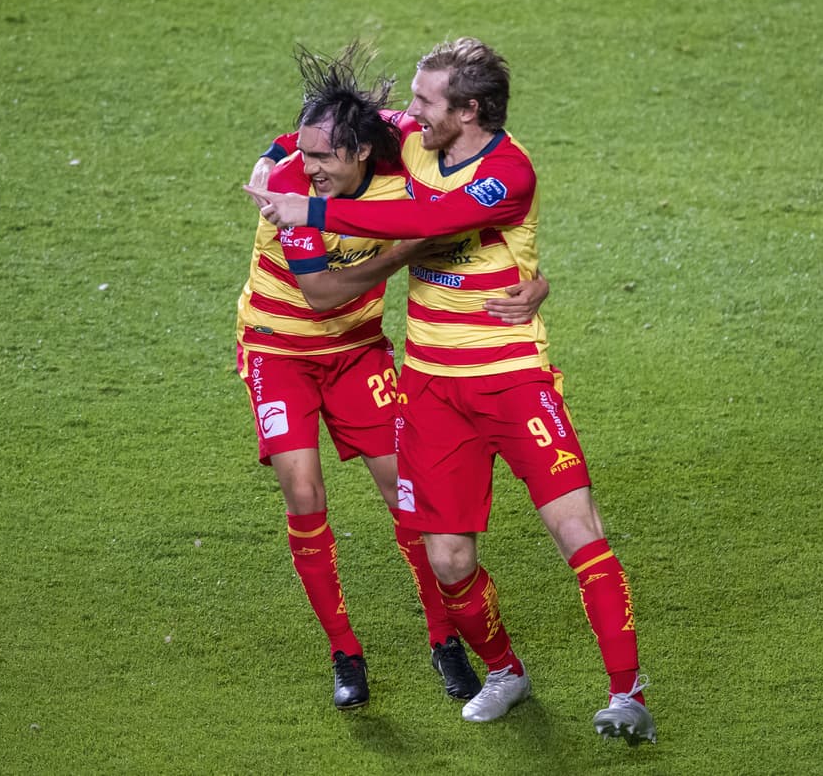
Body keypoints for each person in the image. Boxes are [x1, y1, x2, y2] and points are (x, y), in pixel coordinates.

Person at [246, 37, 657, 745]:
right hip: (432, 391)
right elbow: (345, 123)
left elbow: (431, 222)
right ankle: (504, 671)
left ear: (468, 110)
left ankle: (628, 694)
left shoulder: (508, 172)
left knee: (578, 530)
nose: (410, 112)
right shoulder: (414, 141)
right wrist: (273, 152)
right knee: (449, 560)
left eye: (425, 100)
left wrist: (310, 211)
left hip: (513, 381)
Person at [236, 44, 548, 711]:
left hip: (358, 352)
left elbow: (461, 183)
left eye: (324, 156)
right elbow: (322, 294)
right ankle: (345, 652)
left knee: (410, 498)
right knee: (303, 490)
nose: (309, 166)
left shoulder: (400, 154)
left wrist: (537, 280)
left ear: (360, 151)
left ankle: (445, 639)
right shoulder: (290, 189)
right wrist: (405, 250)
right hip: (279, 352)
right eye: (303, 154)